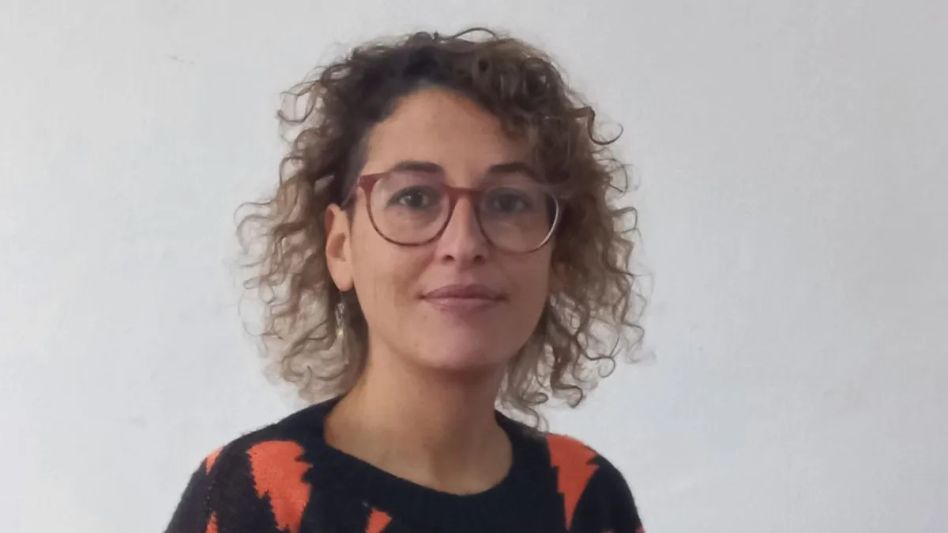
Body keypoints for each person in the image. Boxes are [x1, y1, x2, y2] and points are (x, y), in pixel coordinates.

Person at [165, 26, 647, 533]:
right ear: (341, 247)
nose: (463, 242)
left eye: (508, 202)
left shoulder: (589, 496)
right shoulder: (256, 493)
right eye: (414, 197)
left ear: (559, 253)